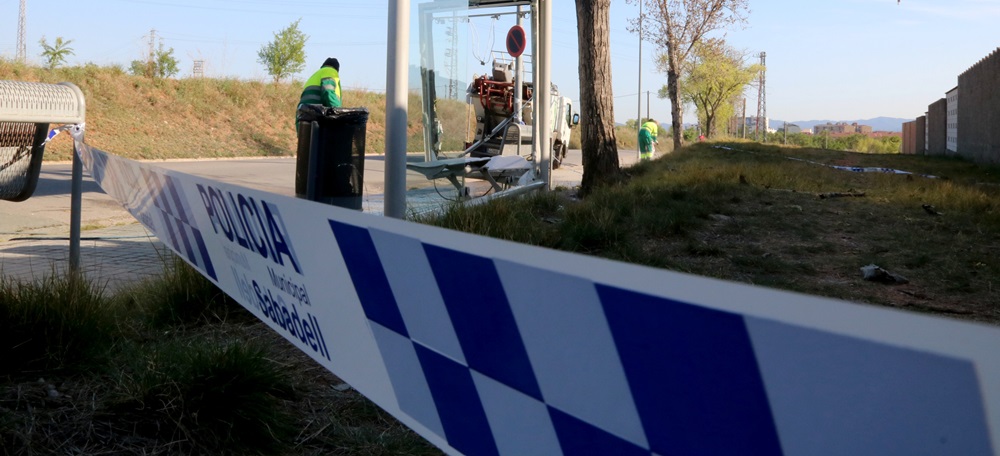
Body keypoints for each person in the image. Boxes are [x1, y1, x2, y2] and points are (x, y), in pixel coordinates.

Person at [295, 58, 343, 197]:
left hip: (305, 119)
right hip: (316, 121)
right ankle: (320, 192)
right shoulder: (330, 72)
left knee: (309, 158)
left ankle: (307, 191)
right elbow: (328, 92)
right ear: (337, 69)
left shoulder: (315, 75)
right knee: (320, 158)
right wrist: (338, 112)